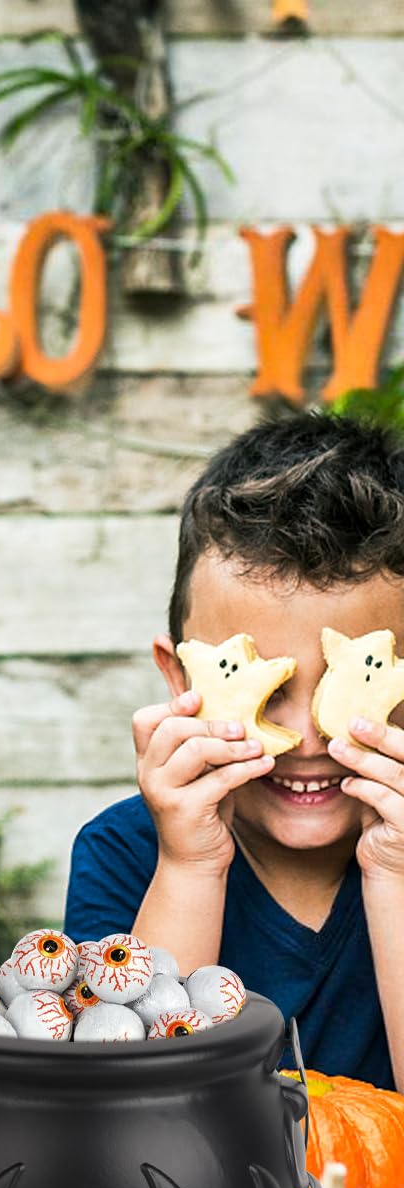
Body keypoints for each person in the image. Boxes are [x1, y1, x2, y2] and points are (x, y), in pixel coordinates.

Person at [65, 413, 404, 1093]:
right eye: (268, 690)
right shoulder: (124, 854)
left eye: (341, 690)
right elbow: (131, 1112)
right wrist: (189, 866)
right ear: (180, 678)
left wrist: (394, 874)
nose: (307, 740)